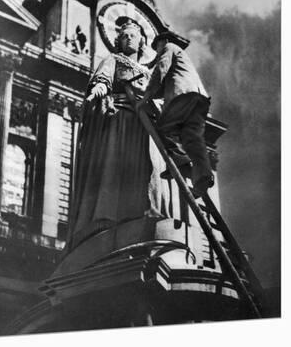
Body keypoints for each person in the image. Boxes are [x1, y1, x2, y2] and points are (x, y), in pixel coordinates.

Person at [66, 20, 166, 252]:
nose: (129, 38)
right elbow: (102, 80)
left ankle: (143, 214)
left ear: (141, 40)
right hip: (120, 121)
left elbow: (159, 97)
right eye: (124, 36)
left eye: (133, 35)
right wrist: (98, 90)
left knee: (144, 171)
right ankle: (108, 217)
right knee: (115, 167)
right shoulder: (114, 60)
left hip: (143, 127)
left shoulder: (149, 72)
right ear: (118, 41)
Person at [137, 31, 214, 198]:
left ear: (162, 41)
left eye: (157, 47)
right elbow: (166, 83)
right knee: (193, 139)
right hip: (199, 99)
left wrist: (146, 96)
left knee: (164, 127)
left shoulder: (169, 47)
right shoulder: (183, 58)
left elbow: (161, 70)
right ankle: (203, 178)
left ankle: (181, 163)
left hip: (183, 96)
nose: (157, 52)